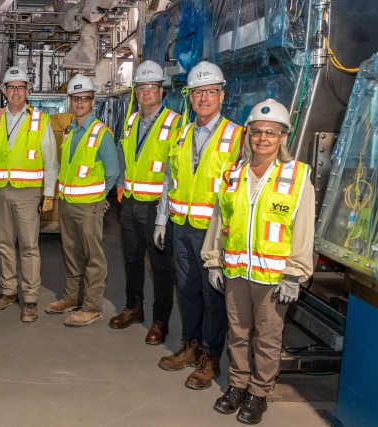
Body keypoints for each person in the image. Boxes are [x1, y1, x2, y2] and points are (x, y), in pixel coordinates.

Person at [201, 99, 314, 425]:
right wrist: (213, 260)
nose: (263, 138)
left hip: (274, 277)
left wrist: (295, 275)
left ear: (282, 137)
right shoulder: (233, 173)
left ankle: (259, 393)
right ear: (248, 134)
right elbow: (219, 220)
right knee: (237, 333)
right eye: (257, 132)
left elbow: (305, 227)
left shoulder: (296, 175)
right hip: (236, 271)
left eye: (271, 132)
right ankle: (237, 385)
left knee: (267, 338)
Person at [156, 61, 244, 389]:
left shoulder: (237, 136)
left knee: (214, 295)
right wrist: (162, 220)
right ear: (189, 98)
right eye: (197, 93)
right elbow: (170, 180)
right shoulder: (181, 134)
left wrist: (230, 237)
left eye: (210, 92)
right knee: (188, 291)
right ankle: (190, 346)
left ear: (221, 95)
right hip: (182, 227)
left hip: (214, 233)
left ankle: (210, 356)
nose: (203, 98)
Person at [111, 60, 181, 345]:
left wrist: (164, 210)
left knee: (161, 267)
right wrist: (119, 184)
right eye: (141, 87)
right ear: (136, 91)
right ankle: (133, 308)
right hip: (129, 204)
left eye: (152, 86)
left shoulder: (175, 123)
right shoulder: (129, 120)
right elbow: (122, 153)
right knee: (131, 260)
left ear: (161, 90)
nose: (146, 92)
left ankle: (160, 321)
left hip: (156, 207)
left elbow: (175, 171)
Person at [0, 66, 59, 322]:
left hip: (27, 193)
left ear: (28, 91)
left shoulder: (40, 120)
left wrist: (48, 194)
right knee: (3, 244)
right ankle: (8, 292)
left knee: (28, 246)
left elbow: (51, 160)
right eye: (11, 87)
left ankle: (30, 299)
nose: (16, 92)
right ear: (4, 91)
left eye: (20, 87)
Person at [45, 74, 120, 327]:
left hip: (89, 206)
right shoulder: (69, 130)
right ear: (70, 102)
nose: (79, 103)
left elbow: (112, 171)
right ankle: (71, 298)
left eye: (84, 98)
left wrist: (98, 198)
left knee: (93, 258)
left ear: (92, 101)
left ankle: (92, 307)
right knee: (71, 254)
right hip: (66, 204)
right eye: (75, 98)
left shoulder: (102, 133)